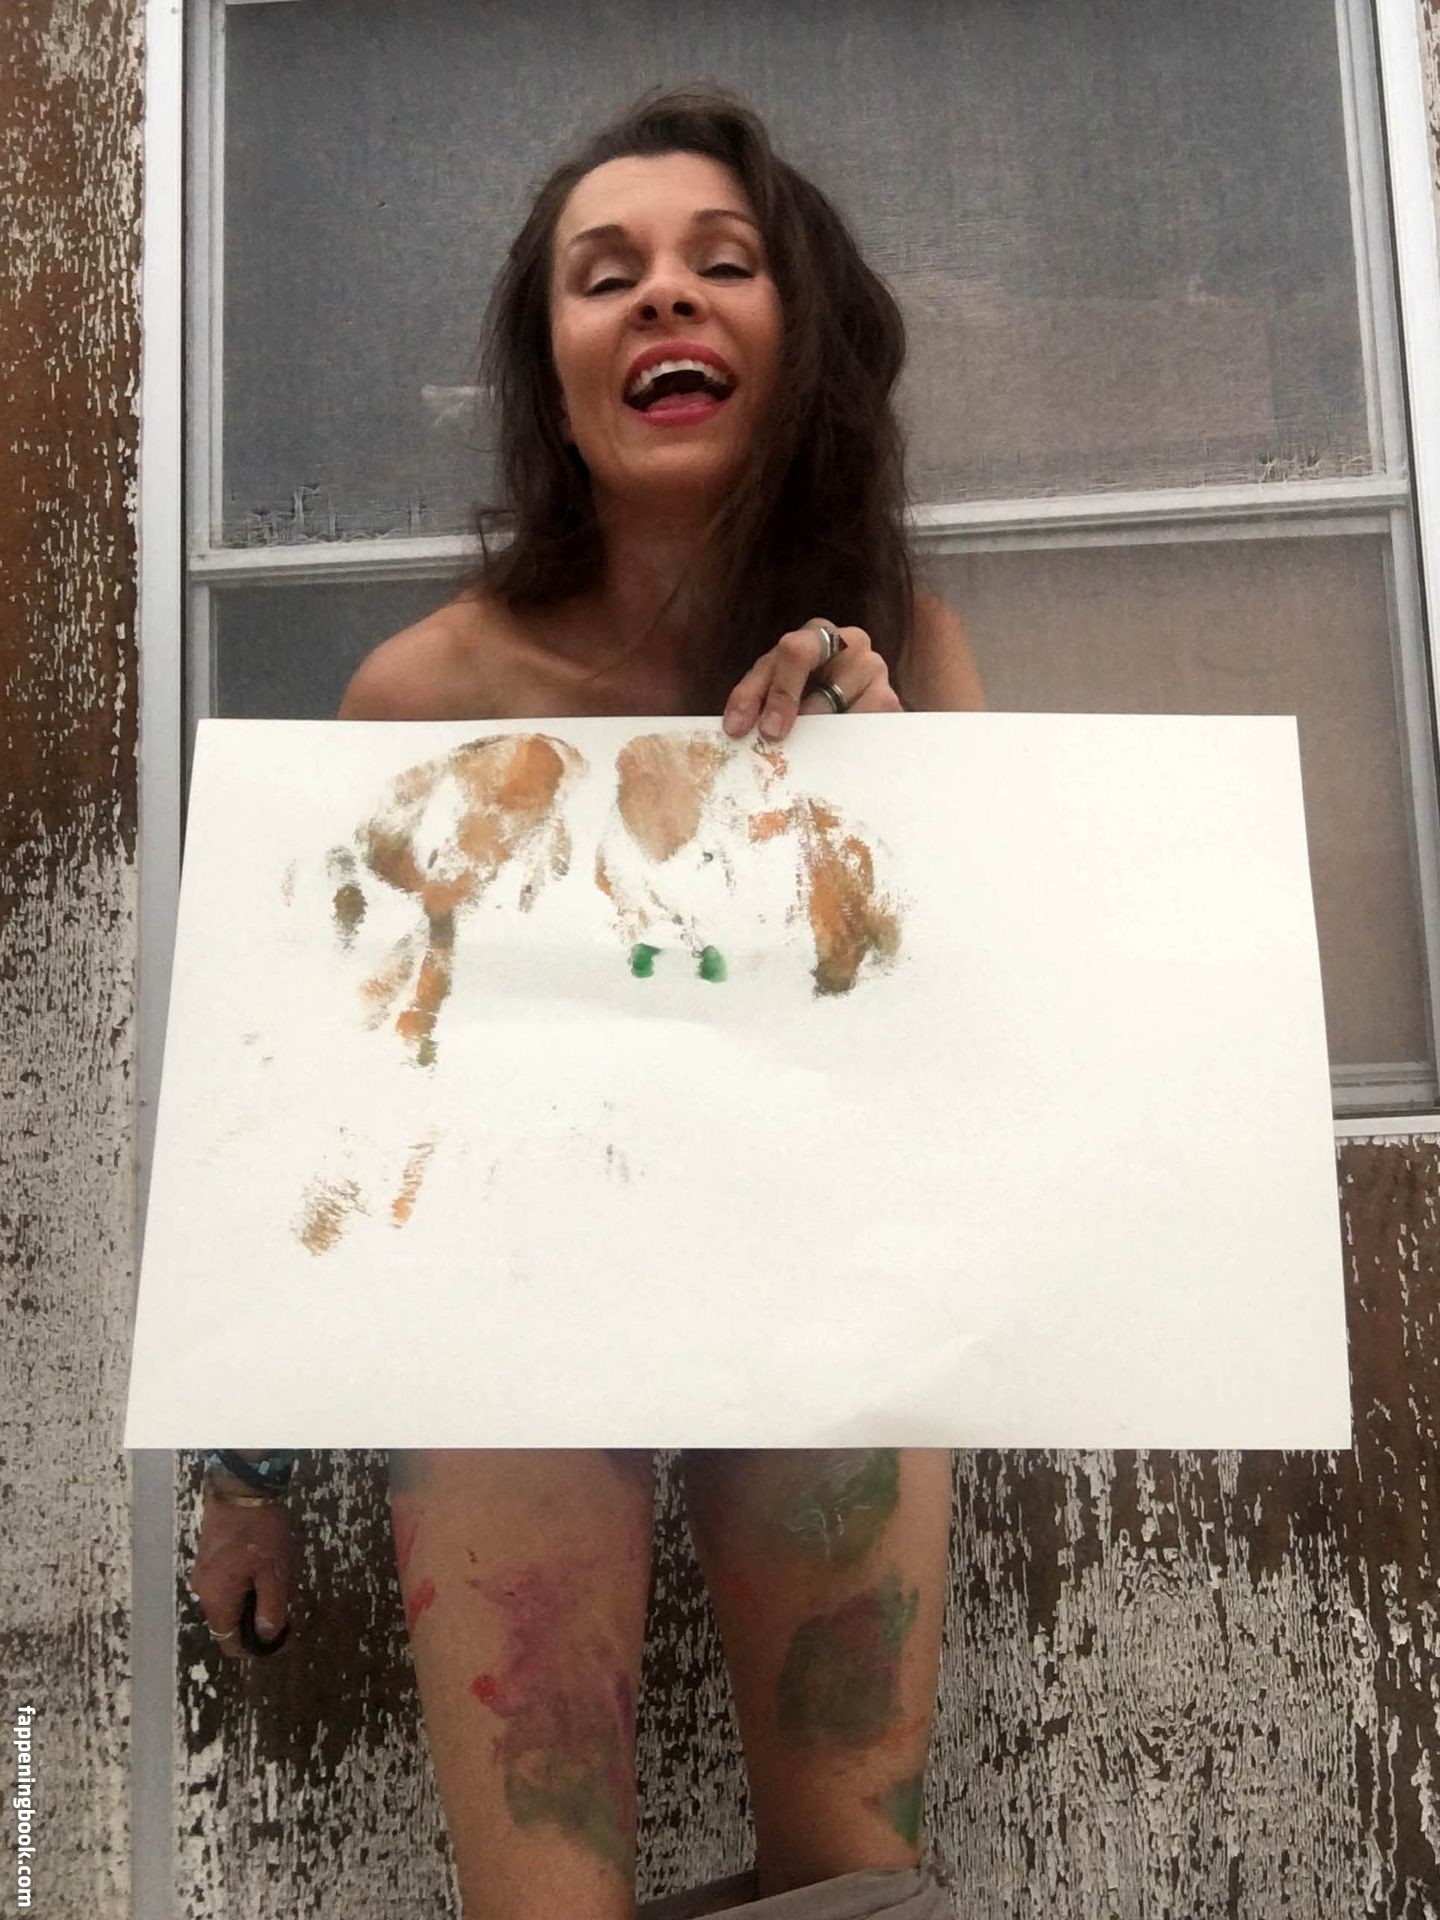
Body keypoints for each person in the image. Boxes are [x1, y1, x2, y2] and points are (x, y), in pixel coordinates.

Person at [188, 85, 985, 1920]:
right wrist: (247, 1472)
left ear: (799, 339)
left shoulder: (901, 651)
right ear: (553, 378)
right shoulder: (423, 694)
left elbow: (987, 1061)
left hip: (826, 1303)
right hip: (511, 1326)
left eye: (723, 262)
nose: (664, 297)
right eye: (604, 275)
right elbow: (329, 1100)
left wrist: (899, 797)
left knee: (859, 1894)